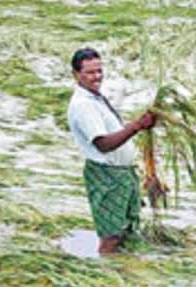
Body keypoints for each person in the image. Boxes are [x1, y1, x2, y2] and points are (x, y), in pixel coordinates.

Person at [67, 47, 155, 255]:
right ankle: (107, 277)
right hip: (106, 176)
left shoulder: (96, 98)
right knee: (112, 235)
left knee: (127, 229)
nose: (97, 77)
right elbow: (103, 144)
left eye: (99, 71)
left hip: (121, 174)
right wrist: (136, 126)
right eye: (90, 72)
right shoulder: (82, 105)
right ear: (76, 75)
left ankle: (123, 272)